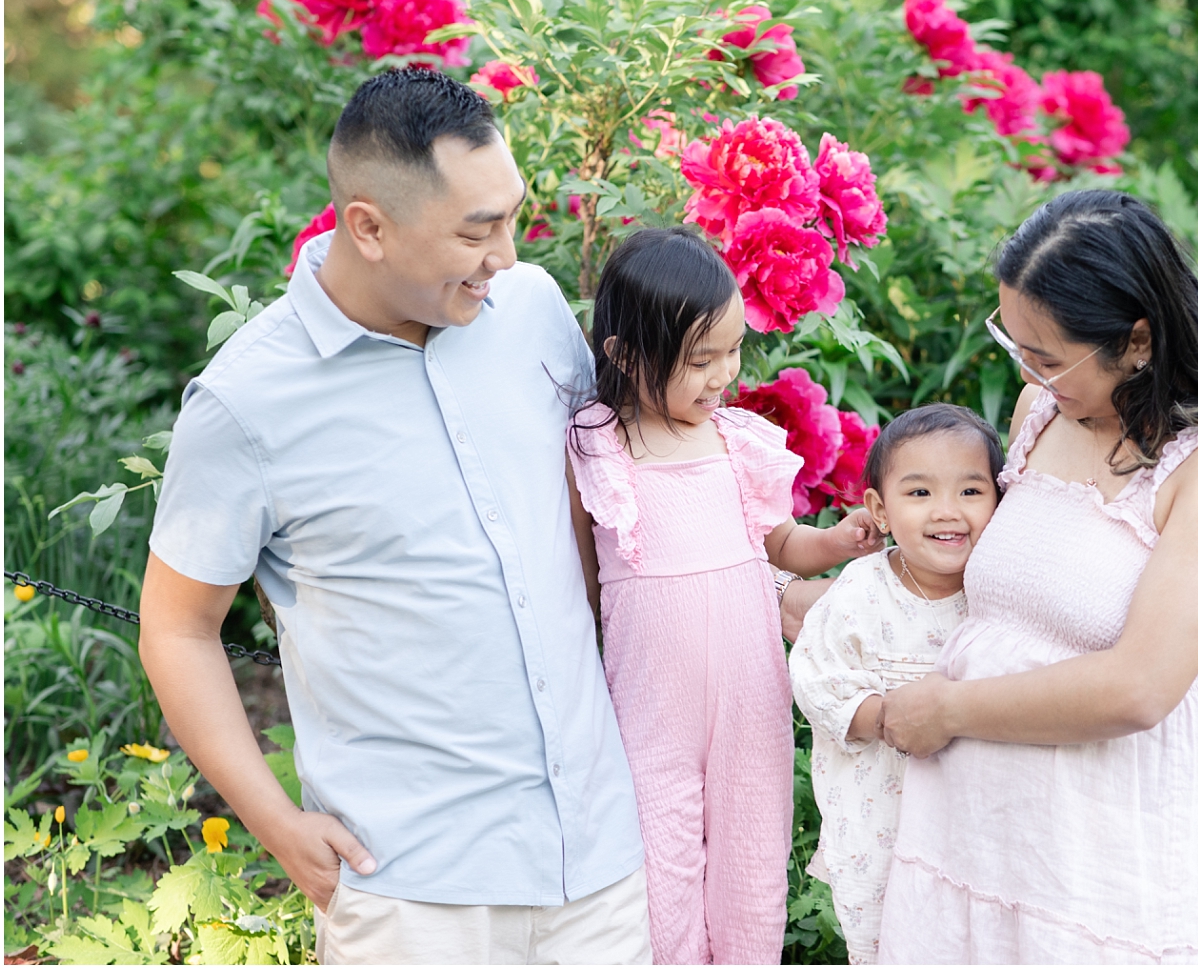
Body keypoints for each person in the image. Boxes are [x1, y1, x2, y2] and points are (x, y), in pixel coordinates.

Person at [138, 67, 652, 965]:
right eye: (475, 230)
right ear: (367, 226)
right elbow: (177, 628)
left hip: (598, 866)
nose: (505, 253)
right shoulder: (244, 404)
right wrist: (273, 821)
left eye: (512, 215)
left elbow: (590, 525)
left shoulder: (529, 311)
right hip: (414, 895)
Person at [876, 189, 1198, 964]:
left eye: (1045, 355)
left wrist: (949, 709)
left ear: (1137, 340)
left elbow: (1138, 687)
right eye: (1016, 347)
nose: (1030, 373)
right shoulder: (1043, 410)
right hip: (972, 842)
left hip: (1106, 861)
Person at [565, 227, 884, 964]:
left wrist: (837, 541)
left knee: (752, 859)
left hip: (751, 697)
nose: (722, 375)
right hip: (650, 708)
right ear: (624, 356)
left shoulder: (736, 442)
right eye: (699, 359)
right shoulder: (599, 446)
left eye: (733, 350)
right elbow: (580, 581)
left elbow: (781, 545)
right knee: (658, 868)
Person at [790, 404, 1004, 964]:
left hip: (972, 817)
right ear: (880, 511)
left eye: (970, 492)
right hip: (877, 810)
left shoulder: (996, 596)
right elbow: (818, 673)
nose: (947, 512)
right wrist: (885, 717)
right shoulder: (863, 589)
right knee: (887, 940)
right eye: (919, 494)